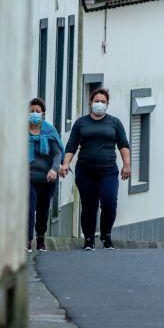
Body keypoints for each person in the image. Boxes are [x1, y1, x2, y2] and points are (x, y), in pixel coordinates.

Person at [59, 88, 130, 250]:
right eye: (97, 101)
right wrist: (65, 163)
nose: (99, 104)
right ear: (90, 103)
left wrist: (127, 165)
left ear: (107, 104)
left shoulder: (114, 123)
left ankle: (106, 235)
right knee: (89, 205)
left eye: (103, 102)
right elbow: (72, 145)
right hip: (85, 171)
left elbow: (123, 145)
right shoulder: (81, 123)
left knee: (109, 202)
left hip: (108, 171)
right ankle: (89, 239)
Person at [27, 98, 63, 252]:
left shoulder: (49, 131)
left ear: (43, 114)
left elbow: (57, 153)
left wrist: (54, 169)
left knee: (43, 209)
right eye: (32, 111)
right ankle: (27, 240)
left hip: (47, 178)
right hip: (28, 178)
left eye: (37, 111)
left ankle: (40, 238)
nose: (34, 114)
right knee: (29, 207)